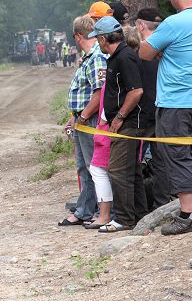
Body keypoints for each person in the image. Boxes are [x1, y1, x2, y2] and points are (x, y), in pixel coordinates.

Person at [139, 0, 192, 235]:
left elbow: (145, 52)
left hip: (177, 100)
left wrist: (159, 46)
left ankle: (187, 213)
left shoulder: (173, 24)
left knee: (177, 155)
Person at [88, 16, 148, 233]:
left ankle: (123, 218)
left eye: (97, 39)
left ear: (104, 39)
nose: (97, 43)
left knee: (117, 169)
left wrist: (119, 117)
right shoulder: (115, 57)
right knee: (130, 171)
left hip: (129, 123)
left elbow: (136, 91)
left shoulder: (125, 57)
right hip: (125, 122)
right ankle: (140, 215)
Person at [58, 15, 107, 226]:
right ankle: (85, 209)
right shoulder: (89, 56)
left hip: (90, 119)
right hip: (82, 119)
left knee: (92, 166)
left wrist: (84, 116)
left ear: (78, 36)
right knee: (83, 167)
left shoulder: (96, 57)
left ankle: (98, 210)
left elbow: (99, 93)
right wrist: (75, 118)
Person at [135, 8, 168, 210]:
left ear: (141, 26)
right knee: (162, 161)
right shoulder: (168, 46)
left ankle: (139, 207)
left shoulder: (141, 50)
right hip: (164, 108)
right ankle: (162, 203)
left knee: (134, 161)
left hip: (143, 113)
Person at [85, 83, 113, 229]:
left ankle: (105, 215)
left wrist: (103, 120)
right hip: (108, 124)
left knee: (99, 169)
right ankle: (106, 214)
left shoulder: (119, 63)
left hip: (108, 126)